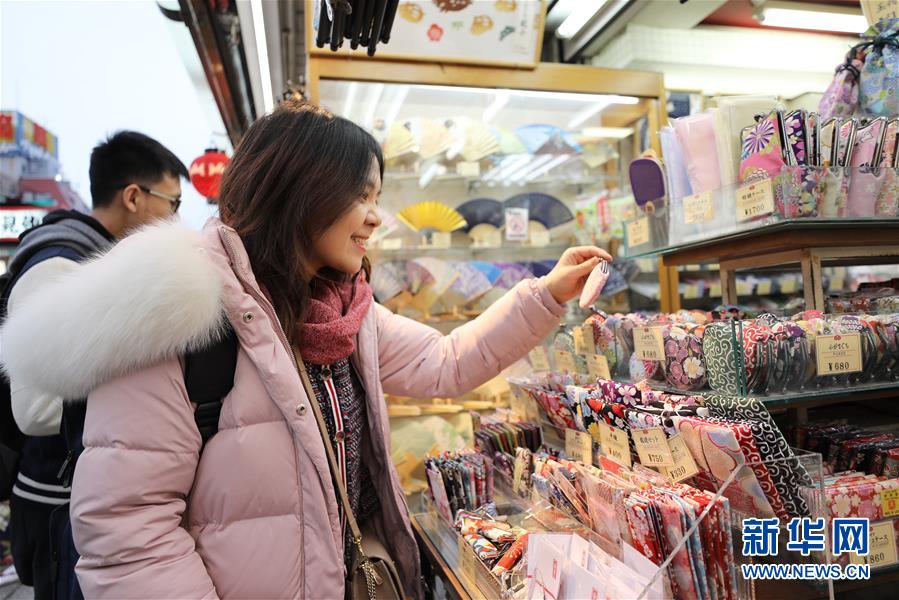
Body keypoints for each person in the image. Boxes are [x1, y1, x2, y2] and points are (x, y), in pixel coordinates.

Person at [0, 100, 611, 599]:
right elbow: (127, 531)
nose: (376, 218)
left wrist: (545, 294)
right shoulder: (178, 314)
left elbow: (444, 362)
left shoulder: (344, 311)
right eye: (362, 196)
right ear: (302, 191)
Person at [3, 130, 188, 600]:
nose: (176, 218)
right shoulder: (58, 268)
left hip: (85, 498)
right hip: (57, 503)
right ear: (134, 196)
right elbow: (34, 409)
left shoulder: (101, 263)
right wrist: (142, 401)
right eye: (172, 203)